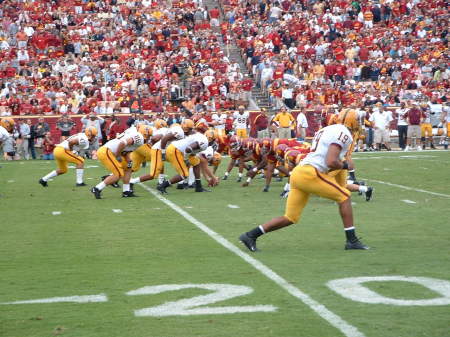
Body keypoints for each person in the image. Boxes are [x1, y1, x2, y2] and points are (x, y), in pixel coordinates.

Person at [239, 110, 369, 252]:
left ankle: (250, 235)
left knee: (290, 217)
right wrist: (345, 165)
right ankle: (352, 241)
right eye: (357, 119)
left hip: (299, 173)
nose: (359, 122)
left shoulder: (327, 129)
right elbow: (331, 161)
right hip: (309, 173)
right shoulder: (343, 132)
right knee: (345, 197)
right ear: (351, 120)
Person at [91, 125, 149, 199]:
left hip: (114, 151)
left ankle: (126, 192)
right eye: (149, 135)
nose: (149, 138)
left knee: (128, 167)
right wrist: (118, 156)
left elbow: (126, 149)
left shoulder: (133, 132)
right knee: (118, 174)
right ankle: (97, 188)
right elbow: (122, 143)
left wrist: (127, 158)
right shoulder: (139, 137)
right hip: (107, 151)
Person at [157, 123, 210, 193]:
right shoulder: (203, 142)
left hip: (181, 150)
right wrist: (186, 159)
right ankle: (162, 186)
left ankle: (198, 187)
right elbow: (188, 149)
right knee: (184, 174)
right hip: (175, 150)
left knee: (196, 163)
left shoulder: (200, 136)